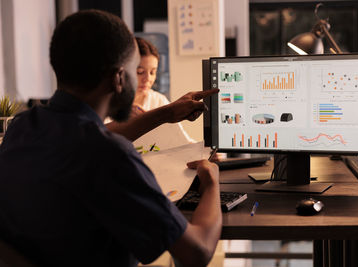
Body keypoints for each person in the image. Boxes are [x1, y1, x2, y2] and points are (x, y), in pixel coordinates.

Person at [0, 9, 221, 267]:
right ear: (119, 78)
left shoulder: (22, 127)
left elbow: (88, 138)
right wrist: (211, 183)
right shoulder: (110, 155)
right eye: (133, 70)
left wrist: (166, 113)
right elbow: (197, 252)